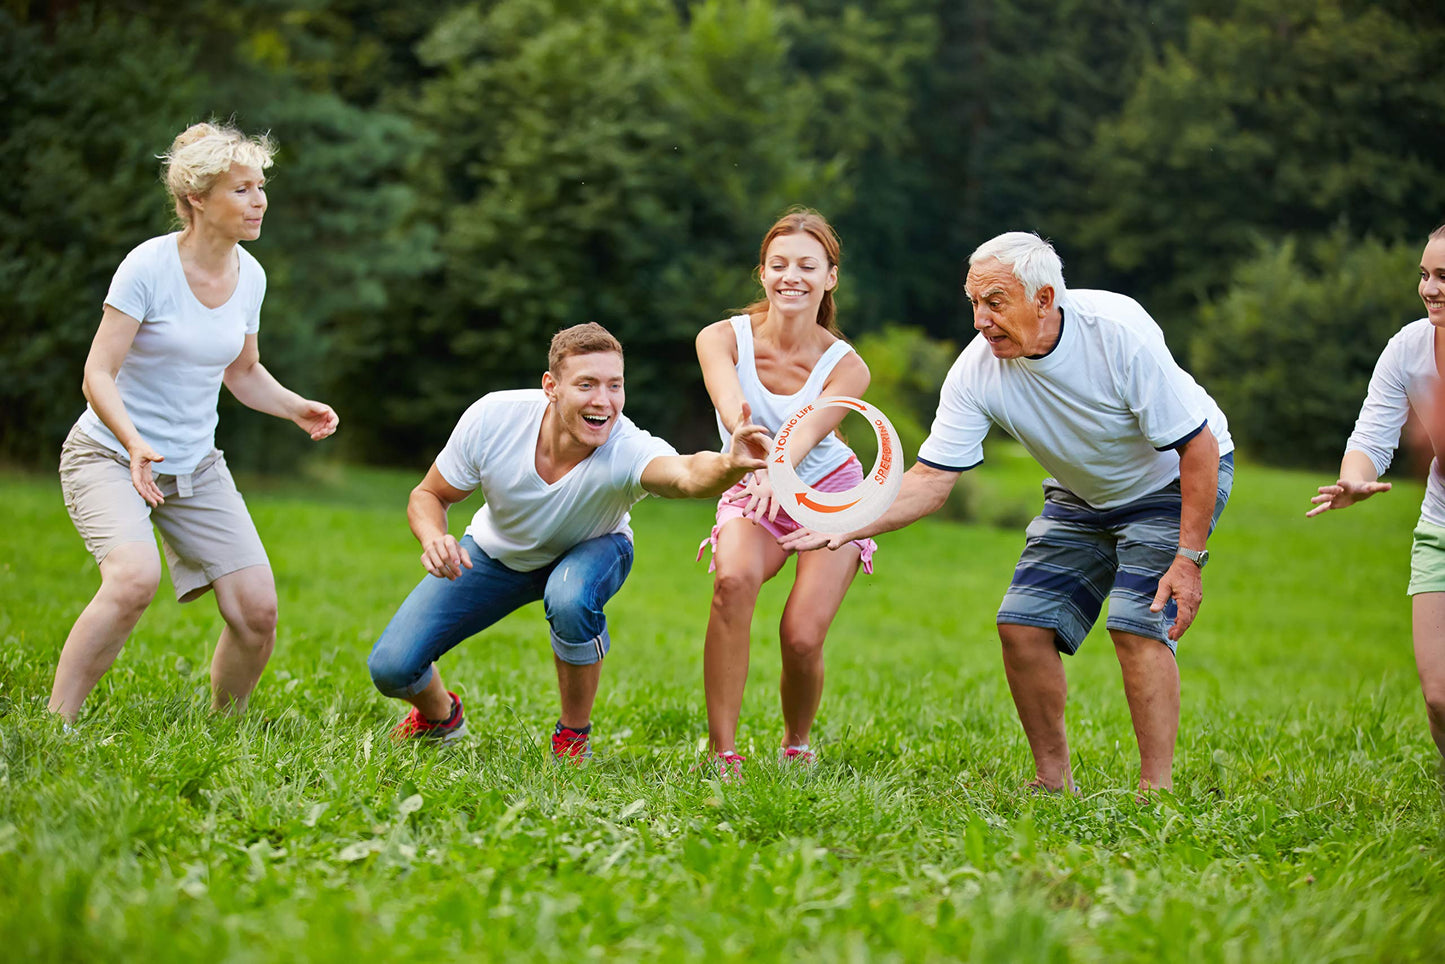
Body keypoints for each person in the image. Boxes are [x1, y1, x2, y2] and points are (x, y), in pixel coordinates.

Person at [783, 231, 1234, 795]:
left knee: (1136, 623)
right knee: (1022, 626)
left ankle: (1155, 793)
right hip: (1081, 491)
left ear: (1044, 299)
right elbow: (930, 480)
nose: (980, 320)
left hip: (1172, 479)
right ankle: (1052, 781)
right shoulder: (976, 371)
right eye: (973, 302)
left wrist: (1188, 559)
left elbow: (1198, 446)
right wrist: (844, 521)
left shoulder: (1116, 332)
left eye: (994, 302)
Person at [367, 322, 770, 760]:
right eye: (586, 384)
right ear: (551, 387)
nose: (603, 400)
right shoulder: (493, 418)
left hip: (595, 548)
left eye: (615, 385)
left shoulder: (626, 447)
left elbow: (687, 474)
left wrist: (730, 464)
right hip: (495, 553)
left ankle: (573, 738)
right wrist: (434, 537)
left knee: (570, 596)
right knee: (391, 667)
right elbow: (428, 495)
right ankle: (440, 718)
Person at [52, 121, 339, 722]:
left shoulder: (250, 275)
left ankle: (223, 729)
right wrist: (133, 443)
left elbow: (243, 370)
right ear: (197, 199)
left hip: (194, 466)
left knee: (256, 611)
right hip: (108, 454)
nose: (259, 201)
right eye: (242, 189)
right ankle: (57, 722)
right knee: (133, 580)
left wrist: (294, 406)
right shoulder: (148, 266)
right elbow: (97, 374)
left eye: (260, 187)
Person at [694, 209, 875, 778]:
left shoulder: (849, 368)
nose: (790, 276)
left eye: (806, 266)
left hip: (828, 492)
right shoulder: (720, 339)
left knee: (800, 636)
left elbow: (809, 431)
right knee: (732, 581)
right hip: (752, 482)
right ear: (763, 273)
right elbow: (733, 405)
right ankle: (722, 751)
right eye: (778, 265)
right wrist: (751, 449)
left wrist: (777, 465)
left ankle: (796, 742)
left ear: (830, 278)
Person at [1307, 224, 1445, 759]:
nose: (1429, 288)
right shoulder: (1408, 349)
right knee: (1439, 699)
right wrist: (1355, 477)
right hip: (1440, 526)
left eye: (1443, 277)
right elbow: (1370, 436)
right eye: (1424, 275)